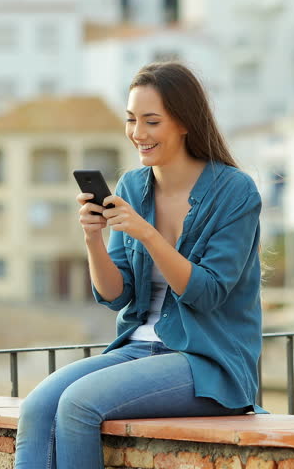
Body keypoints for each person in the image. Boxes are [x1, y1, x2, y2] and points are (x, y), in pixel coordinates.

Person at [14, 61, 267, 468]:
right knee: (38, 406)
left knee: (79, 405)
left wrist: (147, 232)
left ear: (184, 122)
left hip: (208, 362)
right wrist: (93, 238)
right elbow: (117, 295)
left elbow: (207, 291)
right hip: (136, 350)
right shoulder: (133, 185)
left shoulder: (235, 192)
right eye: (132, 120)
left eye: (151, 121)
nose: (138, 134)